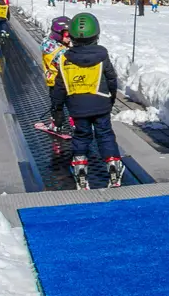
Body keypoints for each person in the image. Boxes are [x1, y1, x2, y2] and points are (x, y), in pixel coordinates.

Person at [51, 13, 124, 189]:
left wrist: (57, 110)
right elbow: (112, 79)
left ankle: (80, 167)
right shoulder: (102, 56)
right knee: (105, 134)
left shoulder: (65, 59)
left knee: (81, 136)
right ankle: (113, 165)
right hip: (101, 103)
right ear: (96, 34)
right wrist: (111, 98)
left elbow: (59, 87)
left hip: (77, 106)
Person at [41, 16, 73, 157]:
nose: (69, 38)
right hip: (56, 82)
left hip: (68, 81)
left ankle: (74, 120)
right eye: (67, 35)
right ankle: (57, 123)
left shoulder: (64, 45)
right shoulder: (51, 47)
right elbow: (62, 58)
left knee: (72, 102)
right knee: (57, 104)